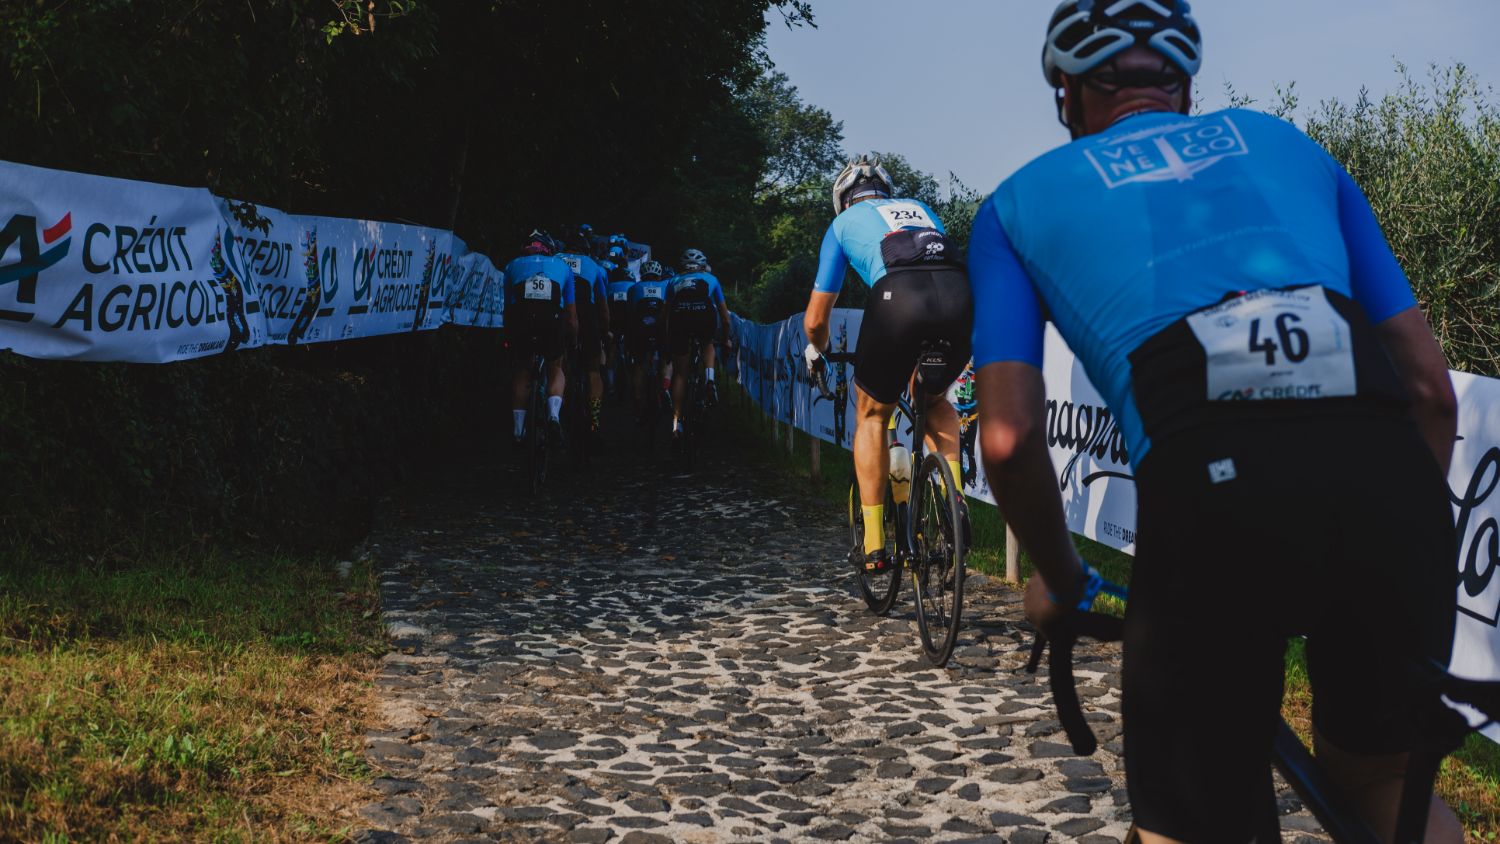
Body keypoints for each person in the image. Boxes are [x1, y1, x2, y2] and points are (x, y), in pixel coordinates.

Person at [967, 2, 1461, 841]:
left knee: (1195, 822)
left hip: (1210, 497)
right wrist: (1387, 513)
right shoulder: (1288, 143)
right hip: (1389, 482)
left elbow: (1008, 439)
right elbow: (1429, 389)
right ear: (1185, 83)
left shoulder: (1013, 209)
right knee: (1387, 784)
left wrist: (1060, 577)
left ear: (1067, 96)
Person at [801, 155, 973, 573]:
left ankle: (875, 545)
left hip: (899, 299)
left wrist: (817, 348)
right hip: (960, 294)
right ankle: (956, 509)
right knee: (932, 401)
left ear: (843, 199)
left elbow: (815, 319)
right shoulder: (921, 210)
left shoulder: (842, 224)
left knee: (873, 414)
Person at [502, 230, 577, 450]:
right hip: (552, 321)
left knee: (523, 370)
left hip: (522, 320)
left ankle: (518, 429)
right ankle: (554, 415)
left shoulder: (512, 265)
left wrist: (508, 335)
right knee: (555, 366)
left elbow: (508, 309)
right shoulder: (562, 267)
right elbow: (571, 315)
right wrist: (572, 338)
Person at [667, 248, 732, 432]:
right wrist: (726, 339)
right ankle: (710, 380)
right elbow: (725, 317)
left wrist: (667, 338)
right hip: (704, 318)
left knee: (680, 374)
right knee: (707, 342)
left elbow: (666, 316)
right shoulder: (711, 279)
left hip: (679, 319)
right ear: (702, 265)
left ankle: (676, 425)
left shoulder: (673, 281)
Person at [558, 232, 611, 433]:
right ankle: (595, 421)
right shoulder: (593, 266)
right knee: (593, 371)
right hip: (587, 316)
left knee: (558, 365)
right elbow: (603, 307)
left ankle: (555, 412)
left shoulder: (555, 260)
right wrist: (605, 332)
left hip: (561, 313)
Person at [626, 260, 672, 423]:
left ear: (642, 275)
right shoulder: (667, 285)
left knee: (639, 364)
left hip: (640, 330)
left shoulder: (634, 288)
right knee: (667, 359)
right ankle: (665, 387)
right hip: (660, 329)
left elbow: (630, 313)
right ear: (659, 275)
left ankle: (638, 403)